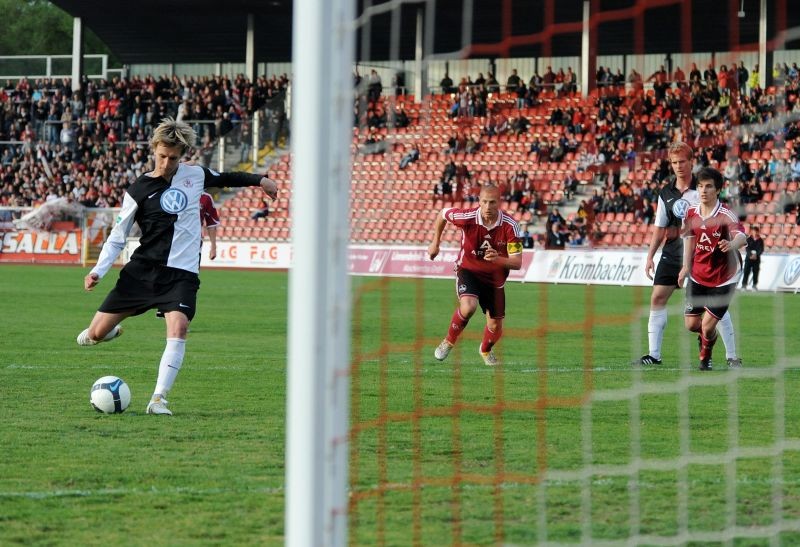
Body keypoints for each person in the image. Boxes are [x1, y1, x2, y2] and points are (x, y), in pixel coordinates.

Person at [76, 117, 278, 415]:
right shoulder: (138, 189)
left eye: (173, 157)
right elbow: (118, 236)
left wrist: (260, 179)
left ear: (181, 155)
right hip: (142, 271)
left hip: (181, 275)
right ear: (153, 150)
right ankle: (105, 332)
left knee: (179, 326)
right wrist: (98, 271)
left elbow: (225, 177)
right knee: (94, 334)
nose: (167, 163)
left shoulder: (194, 175)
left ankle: (158, 399)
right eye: (162, 156)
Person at [640, 142, 740, 367]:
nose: (678, 167)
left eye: (682, 162)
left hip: (702, 254)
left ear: (691, 162)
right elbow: (660, 226)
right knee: (657, 297)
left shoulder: (704, 186)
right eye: (674, 163)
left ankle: (731, 356)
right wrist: (650, 256)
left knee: (713, 308)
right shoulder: (666, 192)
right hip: (673, 250)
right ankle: (654, 355)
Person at [428, 184, 522, 366]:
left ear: (499, 203)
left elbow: (517, 262)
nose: (488, 207)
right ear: (479, 201)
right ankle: (448, 341)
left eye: (492, 202)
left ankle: (485, 350)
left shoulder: (511, 226)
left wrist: (498, 259)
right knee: (468, 306)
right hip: (468, 271)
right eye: (484, 202)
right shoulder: (466, 217)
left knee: (495, 327)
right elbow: (442, 214)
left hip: (495, 280)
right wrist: (435, 243)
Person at [678, 167, 746, 370]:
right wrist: (685, 268)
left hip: (724, 277)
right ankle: (707, 340)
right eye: (700, 186)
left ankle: (705, 357)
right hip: (698, 275)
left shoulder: (726, 214)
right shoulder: (691, 212)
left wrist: (732, 244)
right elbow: (689, 240)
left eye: (709, 186)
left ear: (718, 190)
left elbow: (741, 236)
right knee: (691, 325)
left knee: (708, 326)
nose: (703, 190)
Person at [741, 225, 764, 291]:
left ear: (758, 232)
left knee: (755, 272)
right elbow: (747, 248)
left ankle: (754, 286)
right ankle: (744, 286)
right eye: (754, 231)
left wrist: (756, 255)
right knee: (746, 272)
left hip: (756, 259)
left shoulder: (760, 240)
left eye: (756, 231)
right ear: (752, 232)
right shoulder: (748, 239)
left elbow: (761, 249)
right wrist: (750, 255)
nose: (755, 233)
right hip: (748, 259)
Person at [200, 191, 220, 260]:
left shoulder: (206, 197)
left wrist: (213, 247)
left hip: (195, 243)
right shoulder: (176, 193)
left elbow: (211, 224)